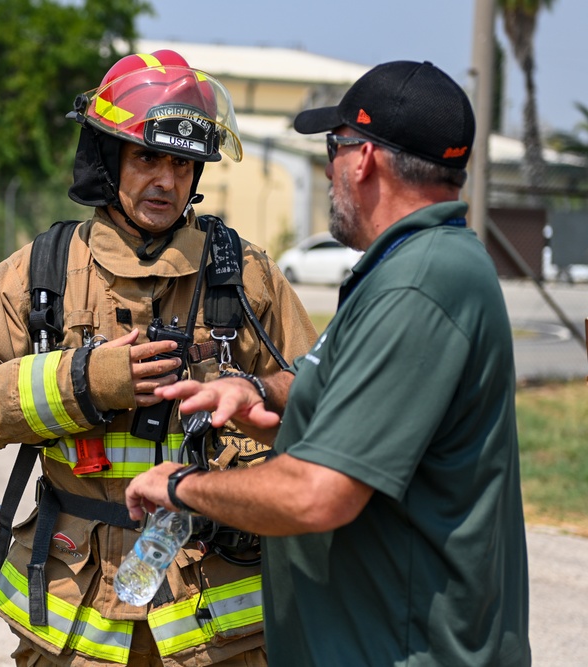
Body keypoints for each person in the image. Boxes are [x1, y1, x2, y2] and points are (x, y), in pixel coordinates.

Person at [125, 60, 532, 666]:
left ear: (363, 158)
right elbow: (353, 401)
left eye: (332, 148)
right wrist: (258, 397)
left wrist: (183, 487)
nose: (328, 168)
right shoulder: (412, 266)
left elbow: (318, 496)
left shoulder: (416, 286)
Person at [0, 49, 318, 666]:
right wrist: (81, 381)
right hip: (76, 618)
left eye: (183, 162)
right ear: (109, 161)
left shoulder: (242, 275)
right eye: (147, 157)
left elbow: (321, 398)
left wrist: (253, 401)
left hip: (219, 623)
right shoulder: (45, 270)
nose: (167, 179)